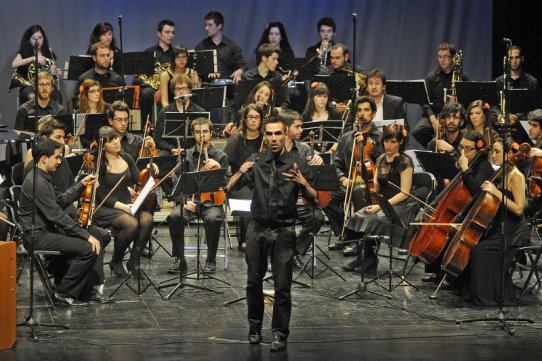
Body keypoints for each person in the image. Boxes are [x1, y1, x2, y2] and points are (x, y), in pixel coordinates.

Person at [227, 116, 318, 352]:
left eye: (278, 133)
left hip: (284, 229)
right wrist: (240, 170)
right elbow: (229, 187)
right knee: (252, 281)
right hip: (257, 229)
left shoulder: (296, 163)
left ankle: (280, 333)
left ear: (285, 133)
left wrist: (303, 183)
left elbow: (316, 198)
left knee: (282, 286)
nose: (273, 138)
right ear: (265, 136)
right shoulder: (255, 160)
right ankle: (255, 327)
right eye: (269, 134)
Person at [19, 138, 108, 305]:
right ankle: (63, 292)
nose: (60, 161)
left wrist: (81, 184)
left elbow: (60, 201)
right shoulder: (37, 182)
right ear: (44, 158)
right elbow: (56, 216)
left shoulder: (44, 176)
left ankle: (85, 290)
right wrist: (85, 236)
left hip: (47, 230)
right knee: (89, 247)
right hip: (38, 235)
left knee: (98, 235)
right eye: (57, 157)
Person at [458, 138, 529, 305]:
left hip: (513, 230)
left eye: (497, 152)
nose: (493, 155)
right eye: (493, 152)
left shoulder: (516, 176)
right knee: (471, 247)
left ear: (510, 154)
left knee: (479, 251)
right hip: (499, 226)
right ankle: (474, 293)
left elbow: (519, 209)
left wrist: (496, 192)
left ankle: (488, 297)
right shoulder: (501, 172)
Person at [340, 123, 415, 273]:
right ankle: (368, 257)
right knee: (359, 216)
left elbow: (405, 193)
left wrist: (380, 206)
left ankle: (366, 258)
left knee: (374, 219)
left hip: (400, 204)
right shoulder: (381, 158)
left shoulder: (405, 161)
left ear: (401, 142)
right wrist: (365, 174)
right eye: (386, 141)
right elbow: (377, 186)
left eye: (393, 142)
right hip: (383, 201)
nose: (388, 145)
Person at [422, 131, 495, 283]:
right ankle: (438, 271)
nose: (463, 152)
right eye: (461, 147)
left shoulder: (485, 167)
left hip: (474, 214)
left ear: (479, 150)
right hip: (463, 210)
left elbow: (476, 190)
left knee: (448, 232)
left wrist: (465, 169)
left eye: (468, 149)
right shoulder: (466, 163)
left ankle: (448, 273)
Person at [92, 126, 156, 277]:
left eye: (115, 137)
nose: (115, 142)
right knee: (131, 224)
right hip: (105, 206)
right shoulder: (99, 163)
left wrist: (149, 169)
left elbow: (137, 179)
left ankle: (134, 260)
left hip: (126, 203)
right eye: (110, 140)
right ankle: (117, 260)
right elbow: (101, 196)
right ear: (101, 145)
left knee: (147, 219)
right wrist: (125, 208)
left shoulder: (126, 158)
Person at [166, 118, 228, 274]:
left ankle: (211, 259)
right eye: (198, 132)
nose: (202, 136)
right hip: (191, 202)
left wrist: (218, 169)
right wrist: (185, 200)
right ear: (193, 134)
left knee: (214, 218)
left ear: (211, 133)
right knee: (174, 216)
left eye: (205, 132)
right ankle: (180, 259)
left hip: (212, 203)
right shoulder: (185, 156)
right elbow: (177, 184)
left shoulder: (221, 156)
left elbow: (226, 186)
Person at [327, 96, 383, 251]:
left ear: (373, 114)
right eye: (359, 110)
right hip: (348, 182)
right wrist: (343, 178)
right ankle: (344, 233)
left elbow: (382, 162)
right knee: (325, 196)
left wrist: (367, 144)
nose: (362, 114)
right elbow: (335, 163)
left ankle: (358, 239)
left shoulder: (380, 137)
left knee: (359, 193)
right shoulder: (346, 137)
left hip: (369, 184)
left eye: (366, 110)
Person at [280, 109, 325, 264]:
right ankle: (281, 254)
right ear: (286, 129)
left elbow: (317, 173)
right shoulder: (274, 148)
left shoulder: (304, 149)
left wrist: (319, 160)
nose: (301, 130)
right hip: (280, 200)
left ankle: (294, 251)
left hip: (301, 200)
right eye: (297, 126)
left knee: (317, 217)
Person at [223, 104, 264, 251]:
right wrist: (241, 170)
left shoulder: (265, 139)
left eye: (256, 117)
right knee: (248, 200)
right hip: (240, 182)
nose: (253, 120)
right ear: (245, 120)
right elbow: (222, 163)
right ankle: (246, 240)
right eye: (250, 117)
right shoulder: (236, 140)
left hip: (261, 180)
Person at [412, 42, 469, 148]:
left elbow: (467, 100)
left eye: (445, 57)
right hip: (436, 113)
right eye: (439, 57)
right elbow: (424, 101)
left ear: (452, 58)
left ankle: (454, 149)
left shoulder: (462, 77)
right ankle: (434, 148)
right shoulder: (431, 76)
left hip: (454, 116)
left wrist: (457, 101)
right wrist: (433, 120)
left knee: (467, 132)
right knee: (418, 131)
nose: (442, 60)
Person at [134, 19, 176, 123]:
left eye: (173, 32)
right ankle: (147, 125)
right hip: (152, 89)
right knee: (145, 93)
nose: (171, 35)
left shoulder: (176, 53)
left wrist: (163, 90)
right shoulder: (149, 52)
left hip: (171, 89)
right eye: (167, 32)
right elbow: (139, 78)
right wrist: (155, 88)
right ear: (159, 33)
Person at [232, 44, 289, 117]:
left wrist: (274, 111)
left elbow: (286, 102)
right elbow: (237, 103)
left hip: (272, 119)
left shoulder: (279, 78)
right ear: (264, 58)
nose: (277, 62)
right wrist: (232, 121)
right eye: (274, 59)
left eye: (277, 59)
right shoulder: (247, 77)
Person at [10, 24, 62, 105]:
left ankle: (51, 117)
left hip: (45, 84)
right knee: (32, 97)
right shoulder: (24, 52)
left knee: (57, 97)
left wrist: (55, 72)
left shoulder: (48, 52)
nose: (37, 40)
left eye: (40, 38)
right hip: (29, 86)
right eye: (34, 38)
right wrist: (33, 58)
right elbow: (14, 64)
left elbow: (53, 68)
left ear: (44, 39)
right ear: (29, 40)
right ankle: (34, 117)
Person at [155, 74, 205, 156]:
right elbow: (158, 139)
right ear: (173, 91)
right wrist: (171, 149)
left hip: (193, 150)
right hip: (171, 151)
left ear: (190, 90)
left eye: (184, 89)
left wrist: (189, 150)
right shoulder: (164, 112)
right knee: (162, 156)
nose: (181, 92)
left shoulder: (199, 112)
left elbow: (203, 138)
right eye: (178, 89)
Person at [195, 11, 245, 83]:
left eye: (210, 25)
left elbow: (242, 65)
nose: (206, 28)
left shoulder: (232, 46)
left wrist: (240, 71)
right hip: (207, 87)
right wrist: (207, 72)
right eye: (205, 25)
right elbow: (196, 69)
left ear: (219, 26)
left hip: (228, 86)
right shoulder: (200, 47)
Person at [73, 42, 125, 106]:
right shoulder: (84, 78)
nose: (106, 59)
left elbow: (124, 103)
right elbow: (76, 102)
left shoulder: (118, 79)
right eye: (102, 55)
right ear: (94, 58)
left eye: (108, 55)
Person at [318, 43, 366, 110]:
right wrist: (333, 106)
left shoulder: (357, 71)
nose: (334, 61)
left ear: (346, 57)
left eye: (337, 58)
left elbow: (365, 94)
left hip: (353, 110)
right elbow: (317, 97)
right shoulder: (324, 72)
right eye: (332, 58)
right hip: (329, 111)